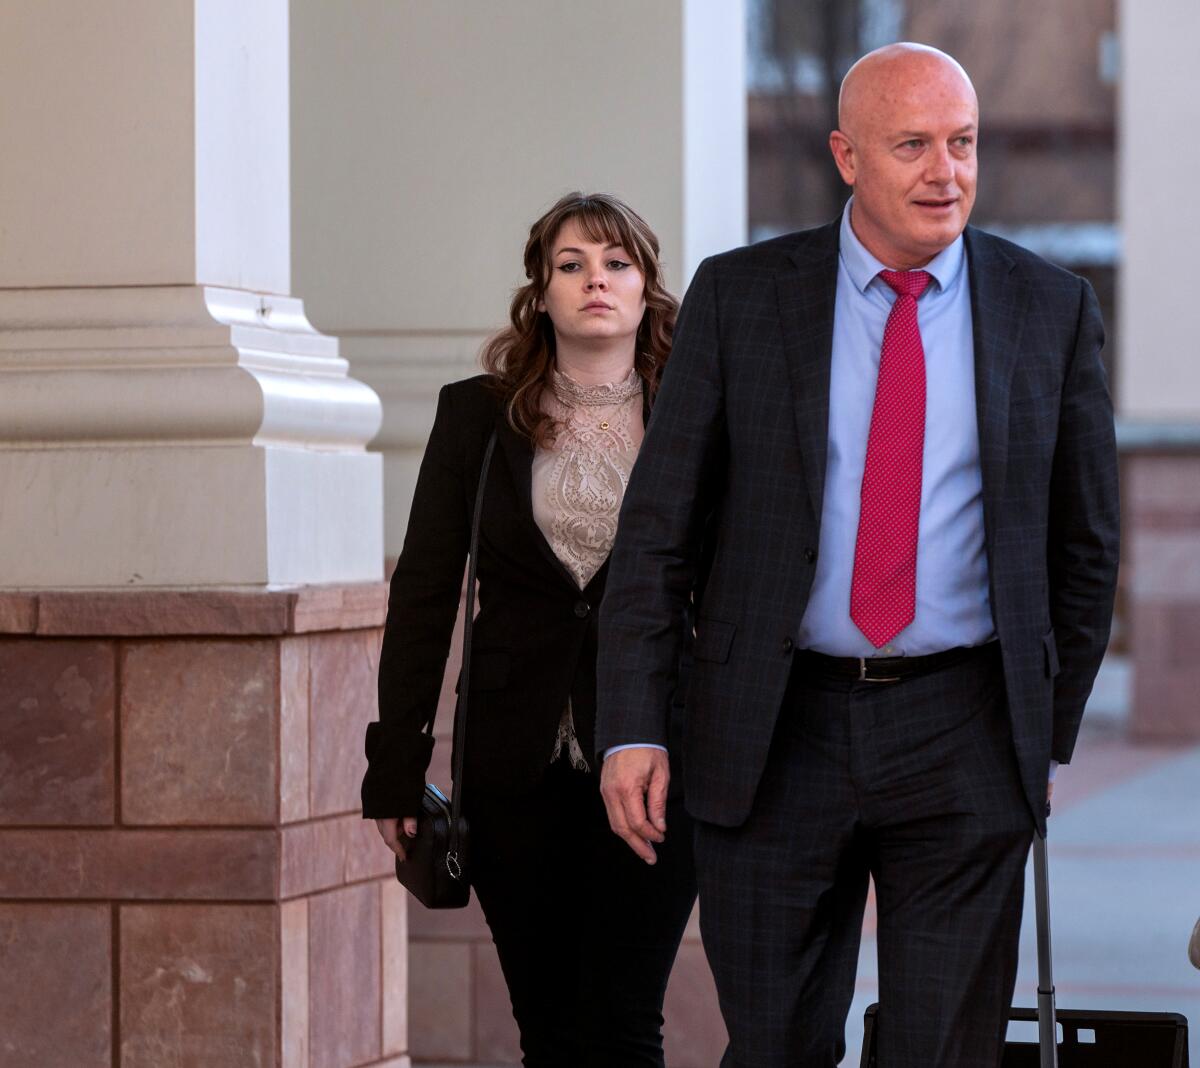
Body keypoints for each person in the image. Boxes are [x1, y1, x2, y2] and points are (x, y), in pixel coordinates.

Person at [597, 43, 1119, 1068]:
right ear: (846, 155)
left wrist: (1032, 736)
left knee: (942, 1049)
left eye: (963, 144)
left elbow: (1085, 545)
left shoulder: (1048, 308)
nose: (947, 172)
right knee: (777, 1043)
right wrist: (632, 726)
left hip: (963, 731)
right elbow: (659, 531)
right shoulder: (742, 298)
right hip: (772, 730)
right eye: (914, 145)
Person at [361, 192, 697, 1067]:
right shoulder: (477, 414)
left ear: (647, 287)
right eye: (572, 264)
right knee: (546, 1029)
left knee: (626, 1023)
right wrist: (396, 763)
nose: (596, 282)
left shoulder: (696, 412)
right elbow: (427, 593)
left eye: (617, 264)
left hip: (657, 758)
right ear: (540, 291)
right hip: (514, 764)